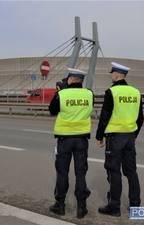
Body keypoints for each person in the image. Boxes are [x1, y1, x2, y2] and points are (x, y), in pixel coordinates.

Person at [95, 62, 144, 217]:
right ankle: (135, 207)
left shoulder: (112, 92)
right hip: (130, 137)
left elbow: (104, 116)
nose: (111, 76)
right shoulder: (136, 92)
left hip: (115, 138)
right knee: (131, 172)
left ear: (116, 74)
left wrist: (99, 136)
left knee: (114, 171)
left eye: (112, 73)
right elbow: (140, 118)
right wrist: (134, 135)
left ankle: (114, 207)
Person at [49, 68, 93, 219]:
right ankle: (81, 207)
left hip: (65, 139)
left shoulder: (62, 94)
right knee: (81, 173)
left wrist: (58, 93)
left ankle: (59, 205)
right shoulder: (89, 93)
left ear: (72, 79)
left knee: (62, 173)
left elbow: (52, 110)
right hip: (81, 139)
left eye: (67, 79)